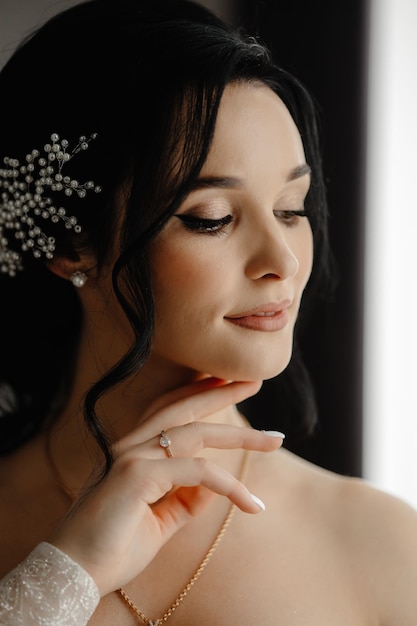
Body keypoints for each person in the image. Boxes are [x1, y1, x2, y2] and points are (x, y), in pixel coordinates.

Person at [0, 0, 416, 624]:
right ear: (70, 245)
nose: (282, 260)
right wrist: (66, 574)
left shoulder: (381, 545)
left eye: (291, 208)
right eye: (211, 219)